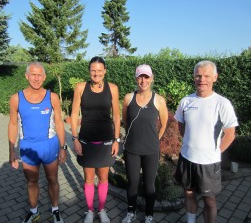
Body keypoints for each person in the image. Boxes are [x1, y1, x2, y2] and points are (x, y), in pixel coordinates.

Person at [174, 60, 239, 223]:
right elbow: (182, 127)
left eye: (206, 75)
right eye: (198, 75)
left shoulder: (222, 103)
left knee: (209, 200)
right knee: (188, 193)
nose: (202, 79)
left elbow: (230, 134)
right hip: (187, 158)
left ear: (215, 77)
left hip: (209, 164)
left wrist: (214, 152)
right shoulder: (186, 101)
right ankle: (191, 221)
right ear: (194, 77)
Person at [8, 62, 67, 223]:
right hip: (28, 147)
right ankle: (34, 211)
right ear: (26, 76)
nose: (36, 78)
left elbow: (60, 123)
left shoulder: (52, 97)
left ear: (44, 77)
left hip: (49, 146)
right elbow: (13, 124)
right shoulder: (16, 99)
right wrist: (11, 150)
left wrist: (63, 147)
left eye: (39, 74)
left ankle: (55, 210)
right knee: (32, 181)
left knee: (52, 179)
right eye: (33, 74)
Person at [70, 56, 120, 223]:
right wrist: (75, 138)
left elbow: (117, 116)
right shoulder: (80, 88)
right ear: (89, 71)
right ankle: (90, 211)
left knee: (104, 178)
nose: (96, 73)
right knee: (89, 178)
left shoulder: (112, 88)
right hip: (86, 140)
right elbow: (74, 113)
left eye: (99, 70)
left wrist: (116, 140)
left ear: (105, 71)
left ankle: (102, 209)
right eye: (93, 70)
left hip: (106, 140)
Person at [121, 64, 168, 223]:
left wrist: (156, 139)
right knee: (132, 183)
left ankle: (149, 215)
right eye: (140, 76)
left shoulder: (159, 100)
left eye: (146, 77)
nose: (143, 80)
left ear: (152, 79)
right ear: (136, 78)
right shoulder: (128, 98)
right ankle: (131, 212)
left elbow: (164, 123)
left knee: (149, 185)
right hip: (132, 149)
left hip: (151, 150)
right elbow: (125, 121)